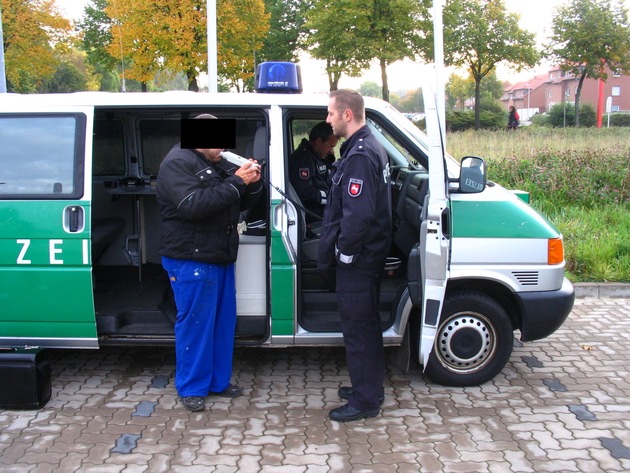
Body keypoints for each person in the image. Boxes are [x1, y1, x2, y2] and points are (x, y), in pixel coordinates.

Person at [156, 114, 263, 412]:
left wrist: (251, 182)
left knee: (221, 322)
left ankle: (217, 382)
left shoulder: (213, 164)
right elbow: (194, 205)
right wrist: (236, 181)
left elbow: (236, 202)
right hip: (191, 258)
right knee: (196, 324)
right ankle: (192, 387)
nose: (224, 146)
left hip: (218, 255)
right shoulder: (177, 163)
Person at [317, 89, 392, 422]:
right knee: (368, 326)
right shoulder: (366, 146)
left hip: (359, 262)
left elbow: (358, 216)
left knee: (358, 331)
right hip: (367, 259)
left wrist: (343, 253)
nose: (327, 120)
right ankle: (369, 387)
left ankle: (365, 402)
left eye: (331, 114)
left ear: (347, 114)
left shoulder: (360, 154)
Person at [289, 121, 338, 223]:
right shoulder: (304, 159)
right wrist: (330, 197)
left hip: (321, 206)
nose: (331, 151)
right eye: (330, 147)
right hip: (311, 211)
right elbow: (304, 192)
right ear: (319, 141)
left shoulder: (318, 157)